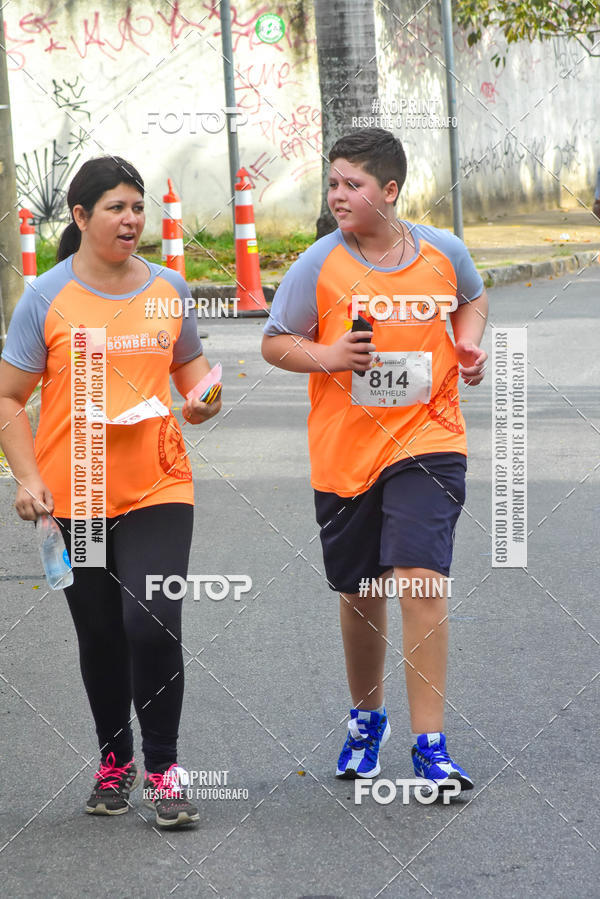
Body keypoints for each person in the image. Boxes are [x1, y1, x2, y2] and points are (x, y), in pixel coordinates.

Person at [262, 128, 488, 792]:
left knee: (420, 577)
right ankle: (367, 718)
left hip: (429, 438)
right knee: (361, 592)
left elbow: (472, 298)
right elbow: (276, 341)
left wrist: (468, 344)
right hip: (346, 454)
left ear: (390, 192)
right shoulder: (320, 263)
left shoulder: (443, 251)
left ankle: (430, 743)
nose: (337, 195)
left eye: (351, 184)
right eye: (332, 182)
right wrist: (330, 356)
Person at [0, 156, 221, 828]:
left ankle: (163, 768)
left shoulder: (168, 290)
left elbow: (192, 374)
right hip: (78, 492)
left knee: (151, 618)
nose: (131, 220)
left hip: (158, 483)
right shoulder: (47, 297)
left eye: (137, 207)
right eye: (116, 208)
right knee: (99, 633)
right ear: (80, 216)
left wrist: (206, 397)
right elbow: (11, 398)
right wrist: (27, 476)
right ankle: (114, 758)